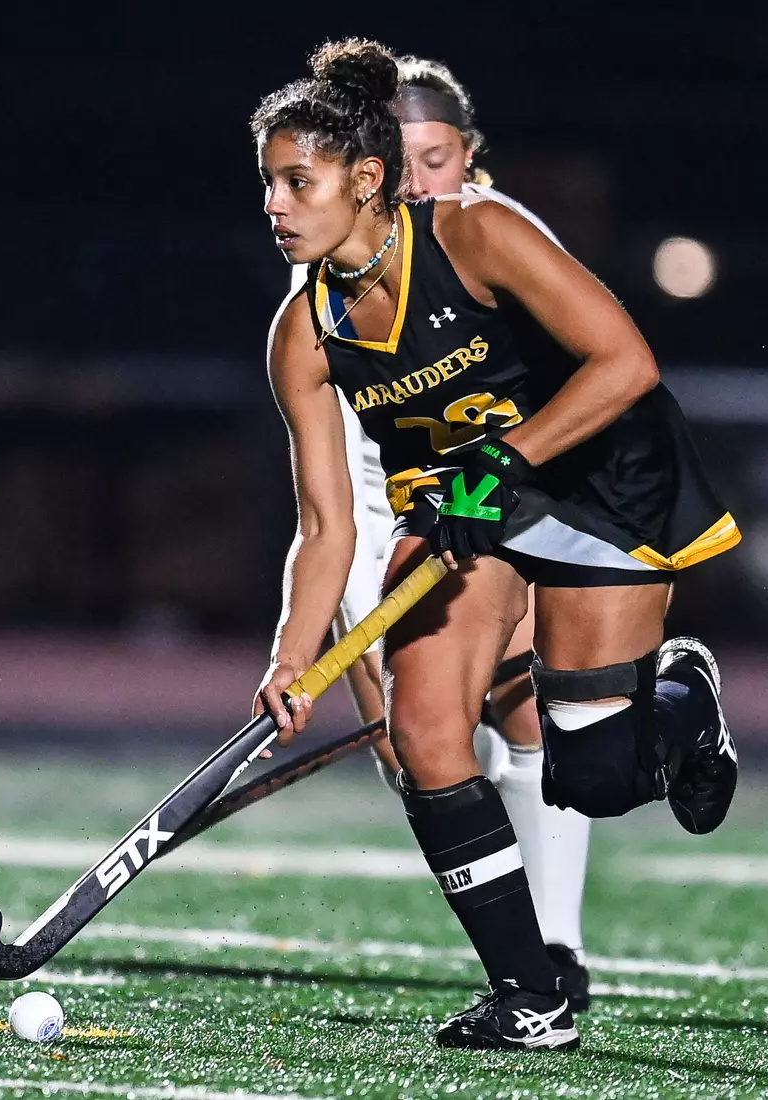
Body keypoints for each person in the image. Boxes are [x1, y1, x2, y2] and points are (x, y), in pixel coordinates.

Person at [252, 39, 739, 1050]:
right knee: (426, 734)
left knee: (592, 777)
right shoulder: (303, 334)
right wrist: (290, 656)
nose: (275, 205)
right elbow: (326, 525)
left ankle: (681, 700)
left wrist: (499, 463)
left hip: (599, 481)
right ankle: (531, 995)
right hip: (466, 510)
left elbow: (625, 363)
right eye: (269, 183)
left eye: (298, 182)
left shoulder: (475, 231)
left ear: (366, 178)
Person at [317, 54, 596, 1011]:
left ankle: (553, 955)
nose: (415, 182)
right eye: (396, 163)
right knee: (417, 751)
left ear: (470, 156)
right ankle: (527, 965)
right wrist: (314, 638)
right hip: (393, 519)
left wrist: (498, 493)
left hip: (517, 501)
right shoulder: (326, 273)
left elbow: (587, 390)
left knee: (540, 719)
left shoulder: (493, 237)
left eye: (434, 159)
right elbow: (332, 496)